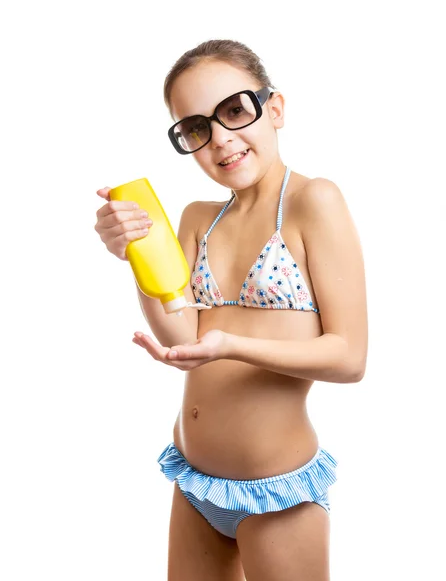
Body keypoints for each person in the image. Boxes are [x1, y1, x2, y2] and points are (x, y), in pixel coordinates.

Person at [94, 39, 368, 581]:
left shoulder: (315, 201)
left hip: (276, 493)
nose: (220, 139)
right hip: (195, 481)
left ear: (276, 109)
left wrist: (233, 346)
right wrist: (135, 254)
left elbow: (349, 357)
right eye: (196, 128)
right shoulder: (198, 217)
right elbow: (181, 334)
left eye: (235, 111)